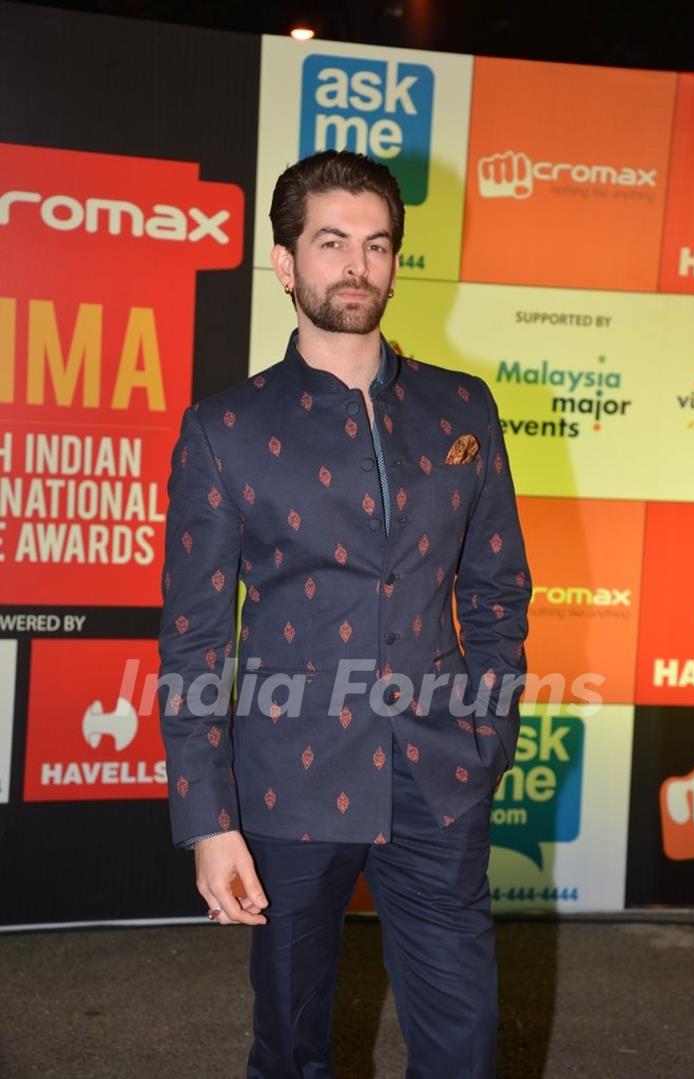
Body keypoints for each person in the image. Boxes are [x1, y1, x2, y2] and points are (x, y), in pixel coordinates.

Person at [158, 149, 531, 1078]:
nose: (356, 265)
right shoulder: (225, 429)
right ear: (286, 264)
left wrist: (486, 733)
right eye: (331, 243)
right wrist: (209, 820)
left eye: (376, 244)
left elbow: (497, 592)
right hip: (287, 787)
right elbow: (196, 639)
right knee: (290, 1042)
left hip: (440, 777)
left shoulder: (463, 408)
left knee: (464, 1045)